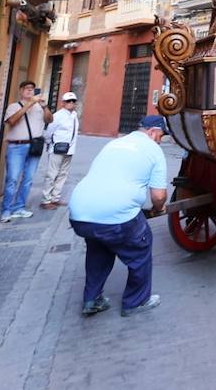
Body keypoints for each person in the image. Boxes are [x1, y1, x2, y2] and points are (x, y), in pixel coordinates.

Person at [67, 115, 169, 317]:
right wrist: (159, 208)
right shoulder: (154, 150)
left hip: (80, 213)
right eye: (161, 136)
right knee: (141, 247)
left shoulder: (115, 143)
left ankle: (92, 299)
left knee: (99, 248)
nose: (160, 141)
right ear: (152, 132)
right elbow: (159, 196)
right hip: (117, 214)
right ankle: (136, 301)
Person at [1, 80, 53, 222]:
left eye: (32, 89)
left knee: (28, 179)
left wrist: (45, 106)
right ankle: (6, 210)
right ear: (21, 91)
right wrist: (29, 104)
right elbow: (11, 121)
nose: (30, 91)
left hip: (34, 146)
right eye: (27, 89)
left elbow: (49, 119)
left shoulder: (39, 107)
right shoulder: (13, 106)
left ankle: (19, 207)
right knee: (12, 179)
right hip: (16, 146)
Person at [39, 91, 80, 209]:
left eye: (73, 101)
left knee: (63, 174)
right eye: (68, 101)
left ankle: (55, 197)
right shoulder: (58, 116)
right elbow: (48, 132)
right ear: (63, 103)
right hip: (57, 148)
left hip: (69, 150)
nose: (71, 103)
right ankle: (46, 200)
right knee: (52, 174)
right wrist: (51, 144)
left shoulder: (74, 116)